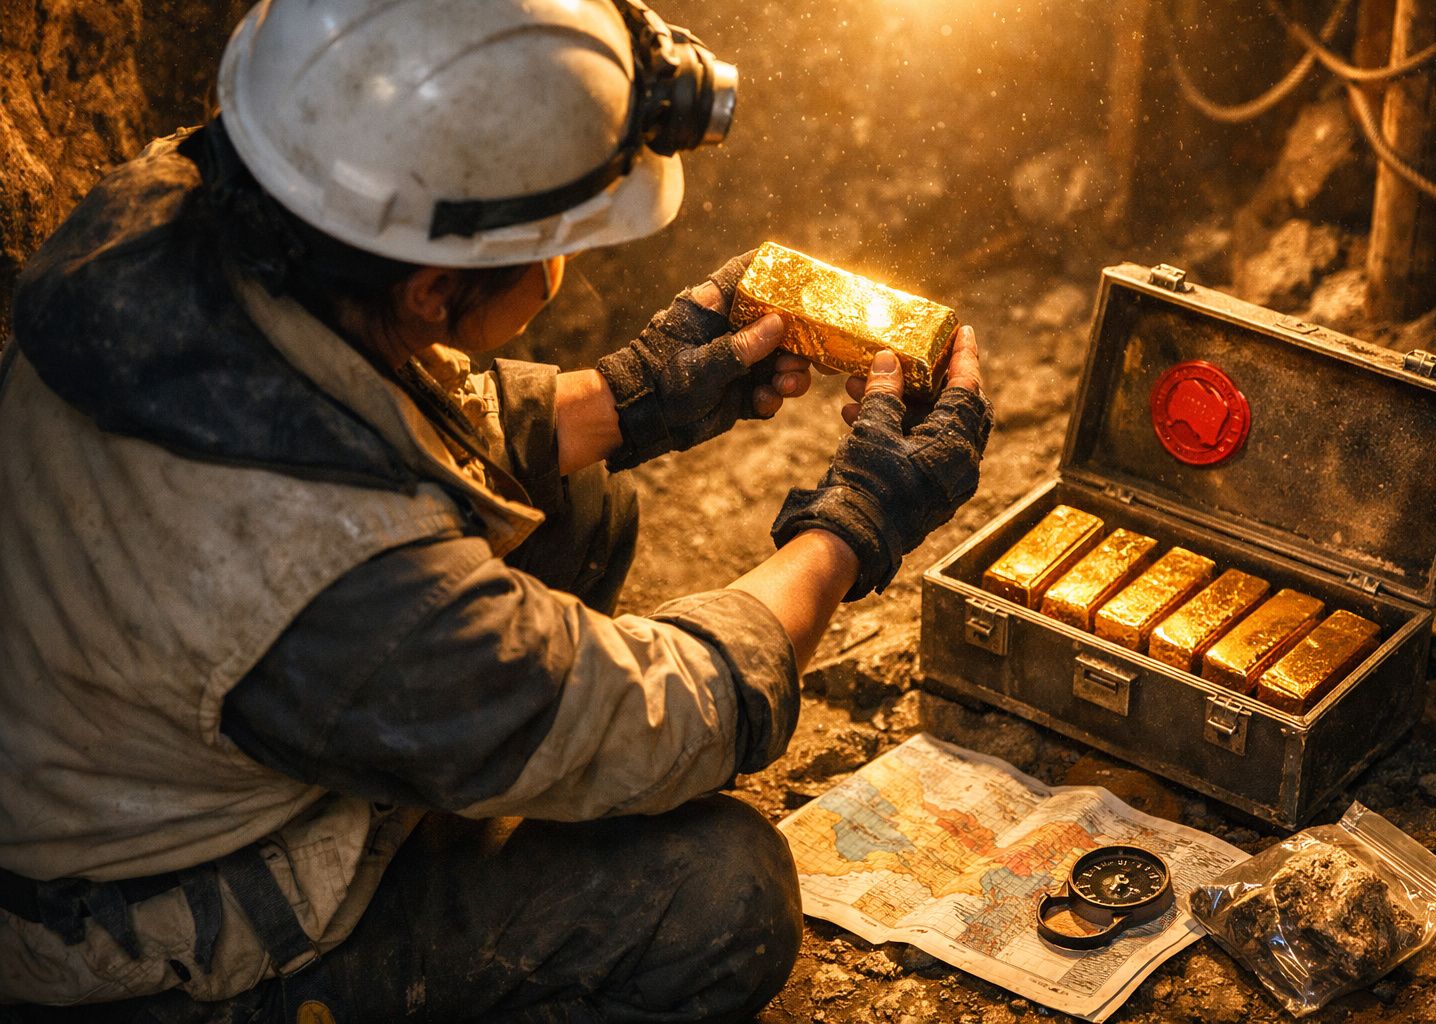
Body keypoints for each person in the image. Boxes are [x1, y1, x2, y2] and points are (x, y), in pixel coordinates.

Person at [0, 0, 992, 1021]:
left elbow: (320, 402)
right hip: (145, 943)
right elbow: (657, 718)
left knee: (584, 504)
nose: (566, 267)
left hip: (142, 745)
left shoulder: (213, 197)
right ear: (432, 292)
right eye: (555, 245)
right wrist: (855, 519)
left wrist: (633, 395)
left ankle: (442, 764)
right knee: (719, 895)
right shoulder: (339, 575)